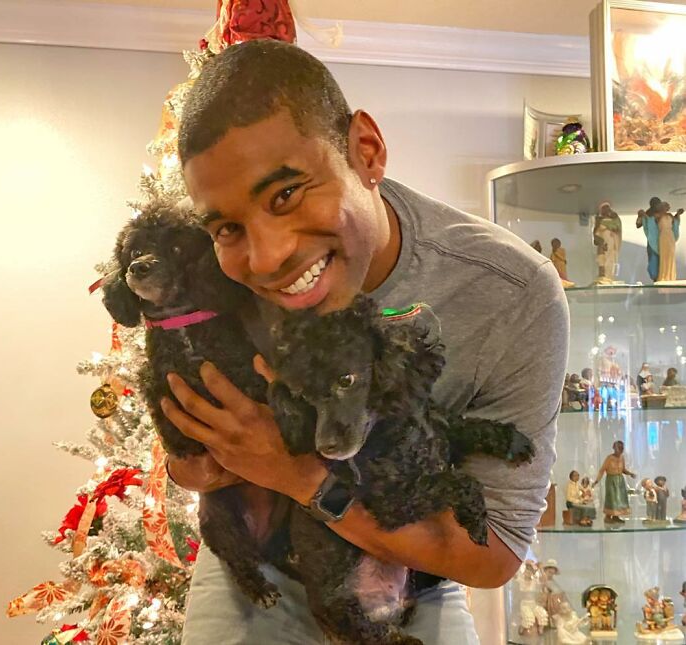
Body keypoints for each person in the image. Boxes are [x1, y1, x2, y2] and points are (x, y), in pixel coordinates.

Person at [162, 39, 569, 644]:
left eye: (286, 194)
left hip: (414, 578)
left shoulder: (508, 293)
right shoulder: (213, 283)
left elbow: (493, 557)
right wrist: (213, 461)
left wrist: (302, 476)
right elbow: (186, 469)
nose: (267, 257)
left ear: (367, 152)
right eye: (228, 227)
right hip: (258, 577)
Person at [593, 440, 636, 523]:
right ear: (614, 448)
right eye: (618, 448)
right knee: (612, 498)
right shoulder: (609, 458)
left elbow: (623, 469)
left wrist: (630, 474)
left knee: (619, 499)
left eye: (621, 448)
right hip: (611, 480)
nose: (619, 450)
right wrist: (596, 481)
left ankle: (616, 516)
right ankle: (608, 516)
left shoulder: (622, 458)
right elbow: (602, 470)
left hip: (620, 481)